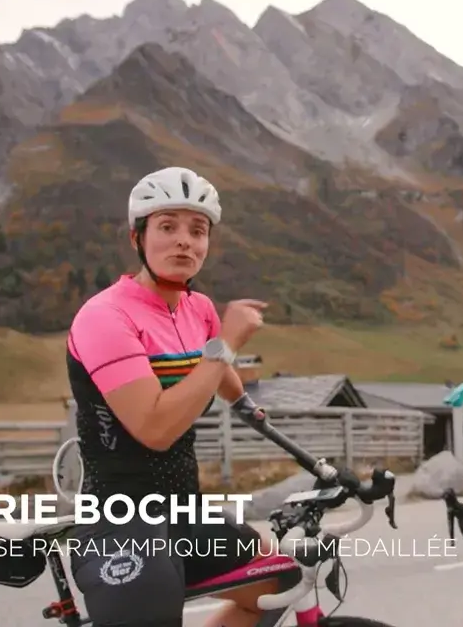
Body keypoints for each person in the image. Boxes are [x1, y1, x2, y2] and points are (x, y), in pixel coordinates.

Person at [64, 166, 274, 627]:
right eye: (167, 226)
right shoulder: (105, 315)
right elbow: (155, 429)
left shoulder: (197, 308)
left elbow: (217, 375)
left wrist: (250, 409)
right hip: (120, 520)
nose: (185, 241)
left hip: (184, 511)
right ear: (136, 237)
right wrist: (228, 345)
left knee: (279, 585)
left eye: (197, 231)